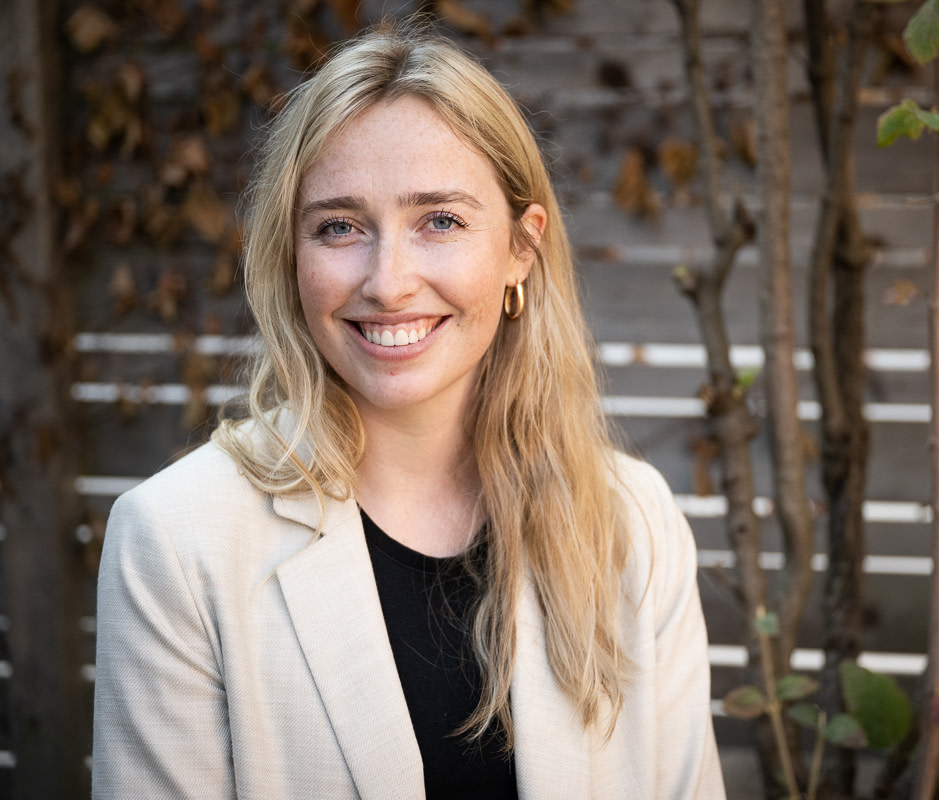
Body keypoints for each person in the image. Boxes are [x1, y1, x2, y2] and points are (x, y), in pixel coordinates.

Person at [92, 19, 725, 800]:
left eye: (441, 220)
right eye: (340, 227)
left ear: (520, 250)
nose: (388, 282)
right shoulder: (176, 542)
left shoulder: (636, 523)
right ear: (292, 258)